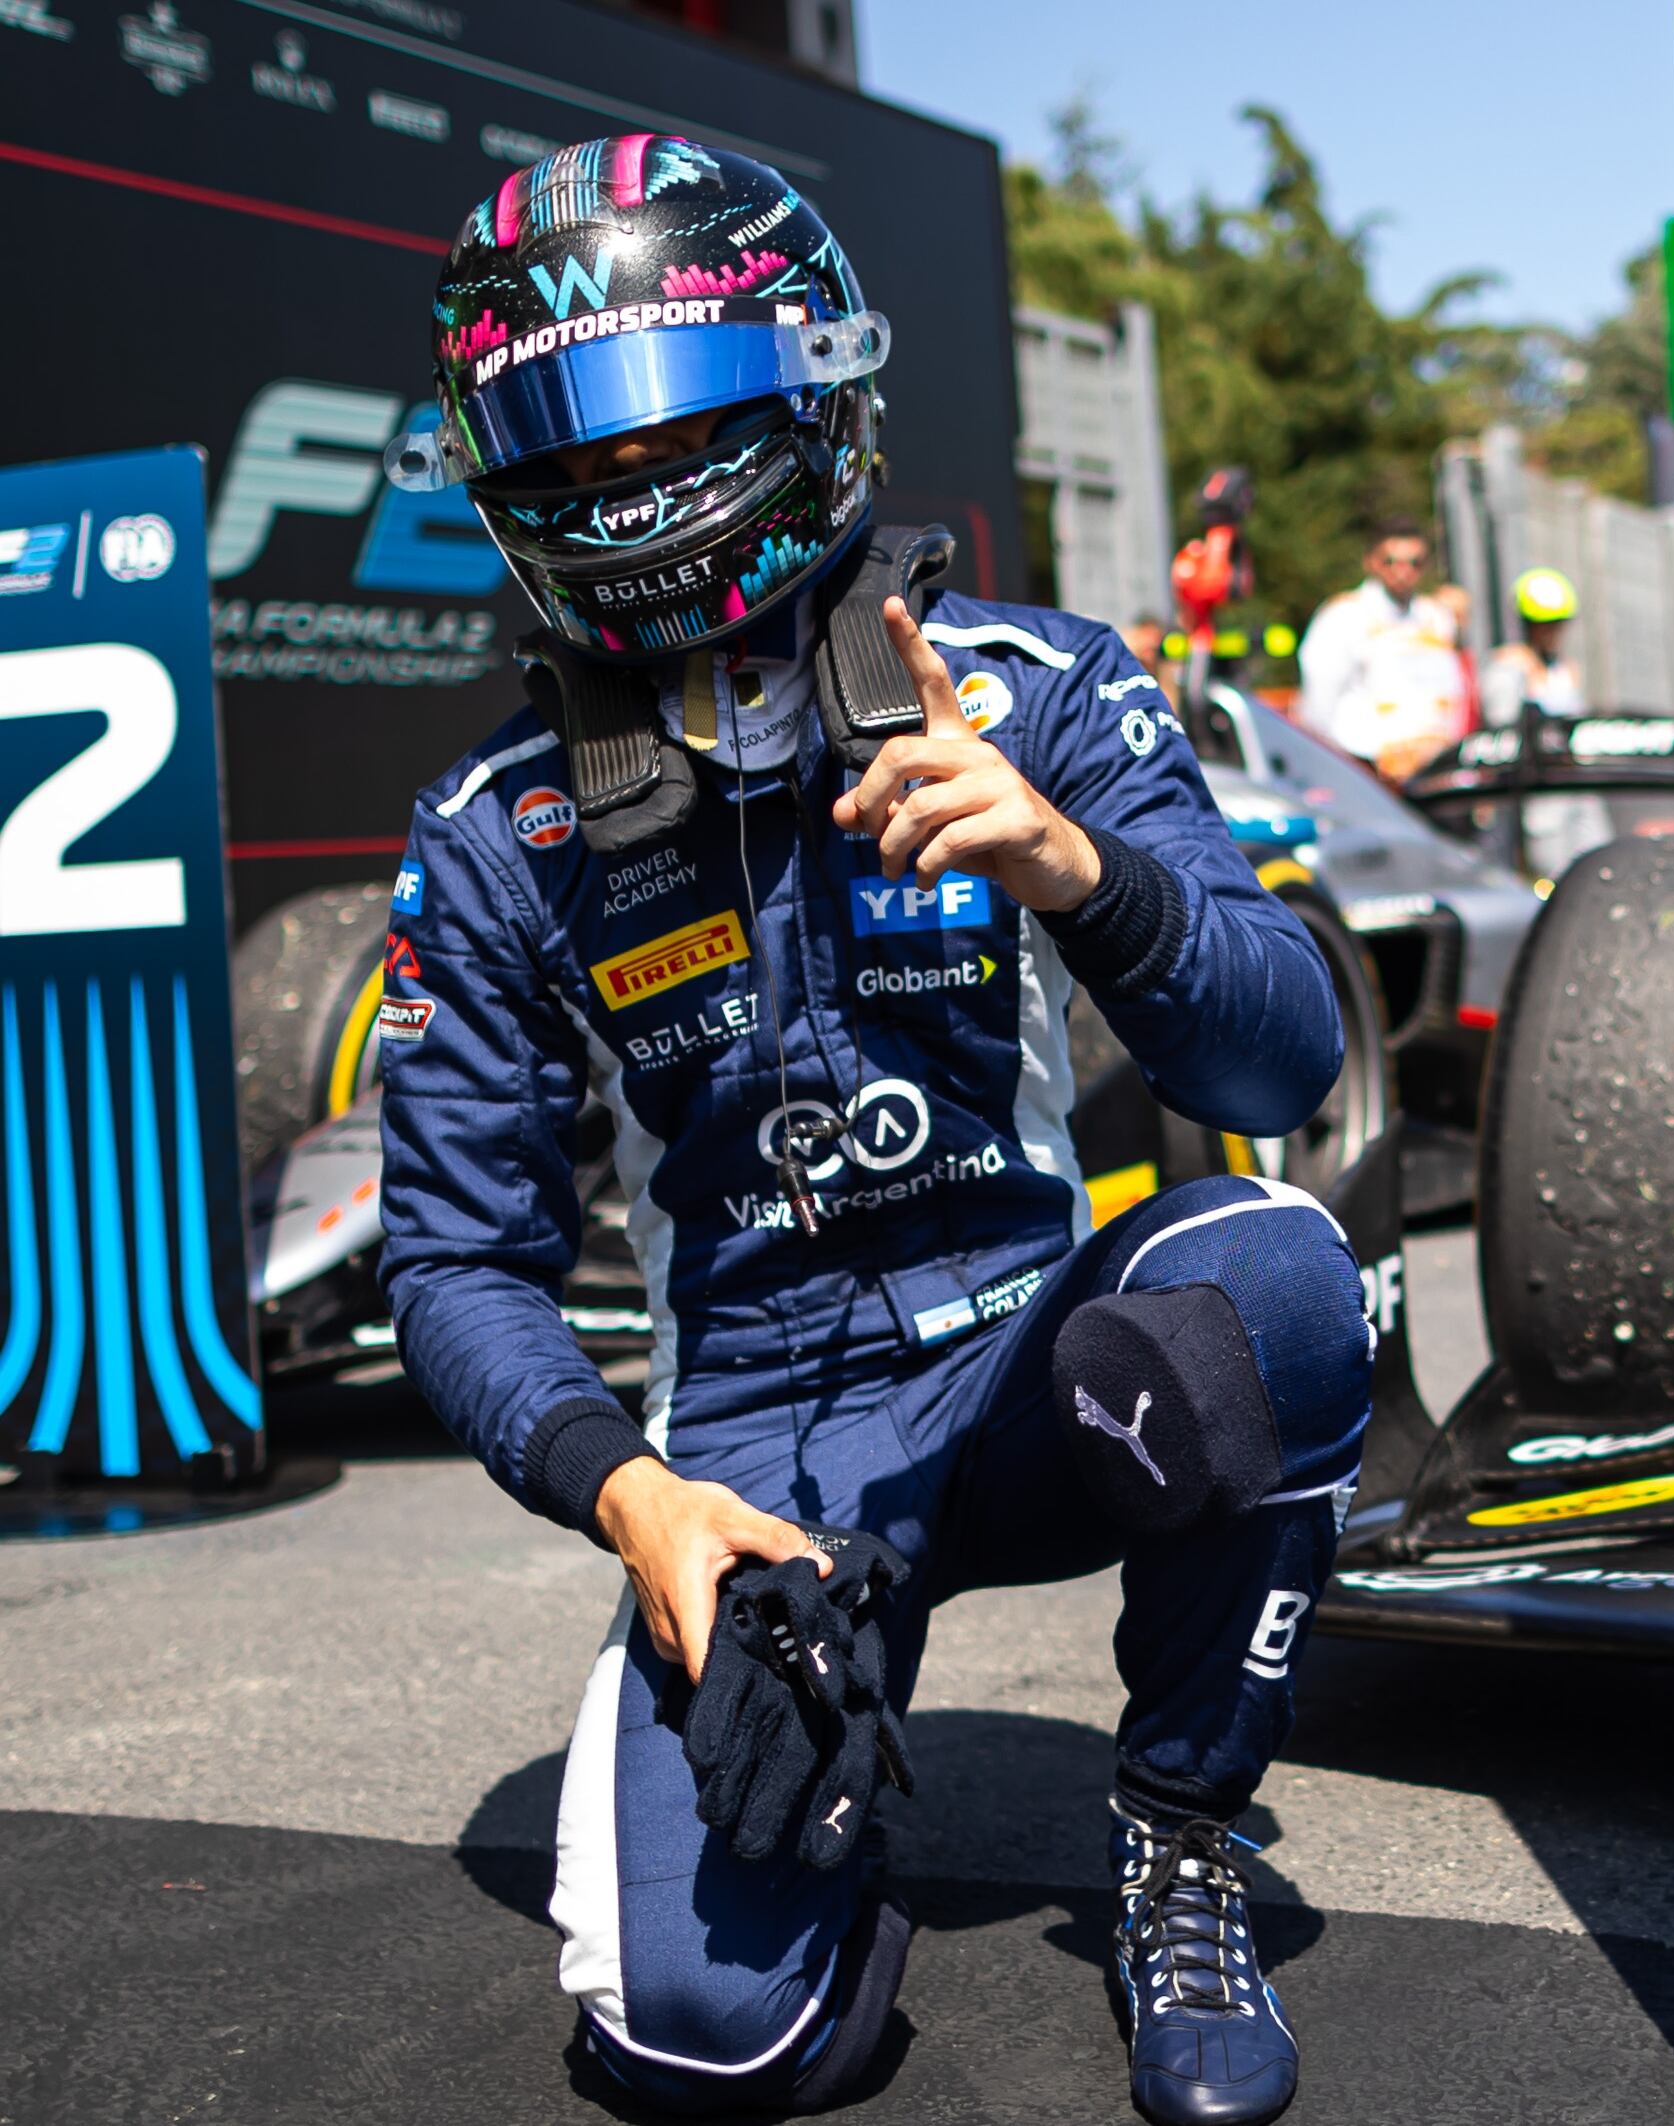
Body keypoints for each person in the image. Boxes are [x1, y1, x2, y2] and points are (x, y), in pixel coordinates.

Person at [372, 135, 1363, 2125]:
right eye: (565, 460)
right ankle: (822, 1846)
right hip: (754, 1465)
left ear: (806, 391)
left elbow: (1282, 1068)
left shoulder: (1041, 684)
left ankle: (1178, 1823)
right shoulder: (494, 833)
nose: (624, 495)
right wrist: (631, 1499)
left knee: (1279, 1276)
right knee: (698, 2039)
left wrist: (1090, 874)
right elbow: (456, 1263)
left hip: (1028, 1373)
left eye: (668, 439)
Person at [1294, 522, 1469, 783]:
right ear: (1371, 563)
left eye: (1414, 563)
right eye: (1390, 562)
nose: (1403, 572)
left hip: (1433, 770)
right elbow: (1320, 703)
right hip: (1369, 774)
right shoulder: (1343, 616)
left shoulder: (1436, 618)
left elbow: (1450, 694)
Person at [1476, 565, 1586, 729]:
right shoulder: (1507, 668)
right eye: (1545, 625)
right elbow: (1500, 725)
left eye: (1559, 624)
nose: (1553, 632)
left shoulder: (1565, 670)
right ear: (1526, 624)